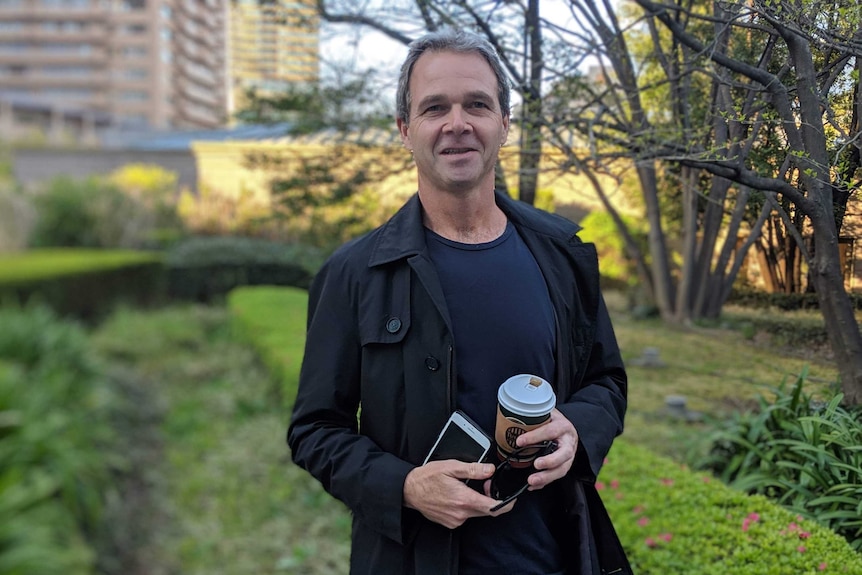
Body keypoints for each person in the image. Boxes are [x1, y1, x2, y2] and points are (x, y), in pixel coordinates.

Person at [287, 28, 631, 575]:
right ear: (405, 129)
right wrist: (402, 485)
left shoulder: (563, 255)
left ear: (504, 124)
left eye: (477, 104)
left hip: (552, 556)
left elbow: (606, 382)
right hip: (411, 561)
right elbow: (314, 431)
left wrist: (576, 428)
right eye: (434, 108)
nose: (458, 124)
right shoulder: (352, 273)